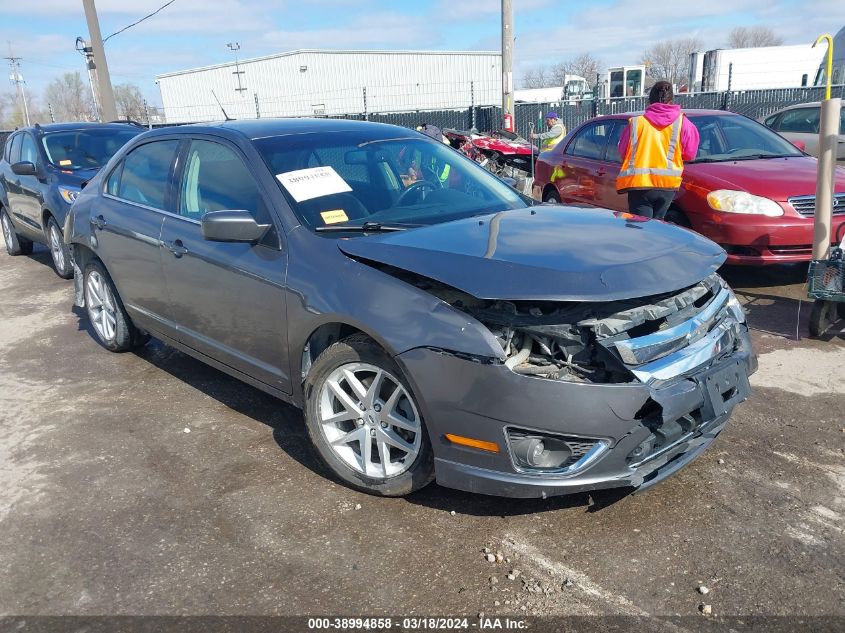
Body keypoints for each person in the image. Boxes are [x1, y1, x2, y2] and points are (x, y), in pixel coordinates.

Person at [615, 81, 699, 219]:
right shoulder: (684, 123)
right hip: (667, 185)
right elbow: (689, 154)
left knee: (640, 229)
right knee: (658, 229)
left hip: (640, 185)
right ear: (671, 100)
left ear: (650, 101)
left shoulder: (636, 123)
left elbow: (623, 151)